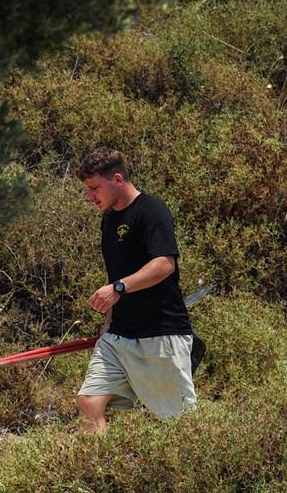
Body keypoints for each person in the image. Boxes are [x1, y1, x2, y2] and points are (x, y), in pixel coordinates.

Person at [74, 147, 196, 430]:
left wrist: (118, 287)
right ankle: (95, 472)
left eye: (94, 188)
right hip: (119, 336)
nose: (89, 197)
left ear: (117, 179)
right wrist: (109, 322)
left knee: (178, 422)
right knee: (89, 401)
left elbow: (164, 264)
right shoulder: (109, 219)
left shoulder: (152, 211)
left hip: (161, 333)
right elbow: (116, 274)